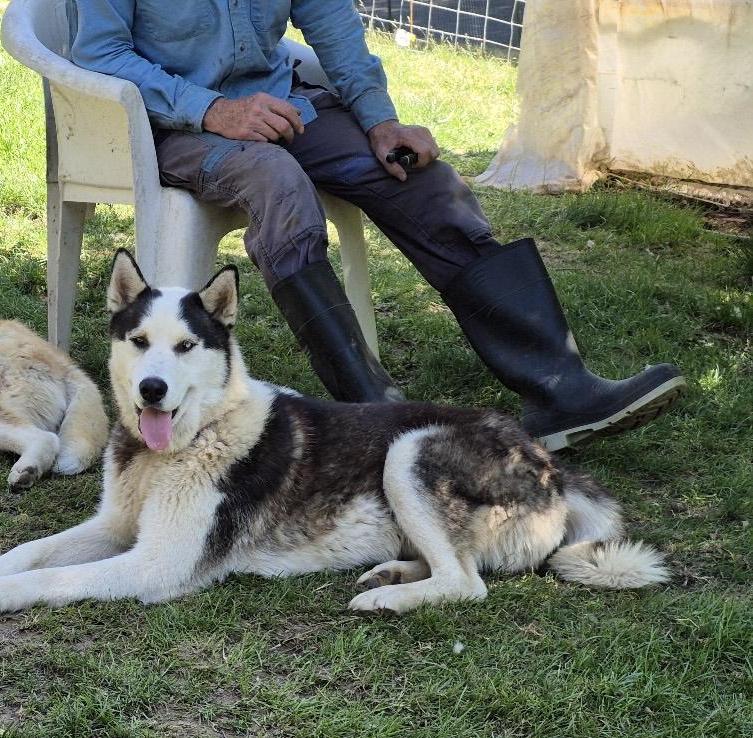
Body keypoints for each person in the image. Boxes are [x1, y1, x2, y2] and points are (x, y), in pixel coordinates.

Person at [68, 0, 685, 450]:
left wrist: (380, 120)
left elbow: (333, 26)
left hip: (286, 105)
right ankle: (377, 416)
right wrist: (214, 110)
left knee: (418, 178)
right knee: (280, 186)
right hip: (175, 128)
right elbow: (98, 53)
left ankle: (561, 387)